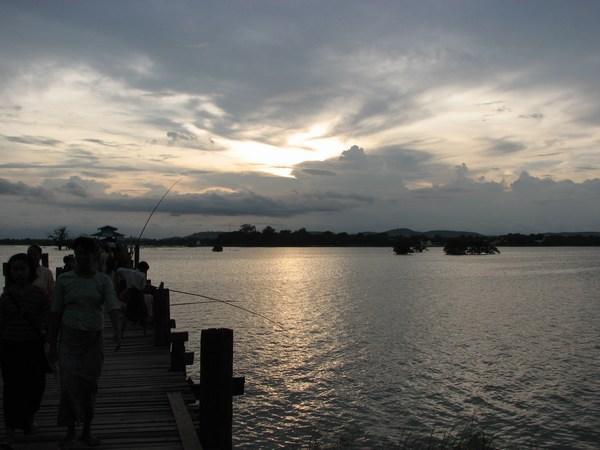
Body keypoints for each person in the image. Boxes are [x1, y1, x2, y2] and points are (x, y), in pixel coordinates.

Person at [48, 237, 121, 447]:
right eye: (80, 253)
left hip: (93, 340)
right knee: (68, 385)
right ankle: (70, 430)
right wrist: (51, 343)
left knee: (89, 386)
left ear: (96, 256)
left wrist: (117, 331)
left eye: (88, 253)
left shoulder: (103, 280)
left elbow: (113, 306)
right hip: (69, 340)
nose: (84, 257)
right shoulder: (64, 280)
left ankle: (87, 430)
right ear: (75, 256)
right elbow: (55, 312)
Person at [0, 253, 50, 447]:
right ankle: (10, 429)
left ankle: (29, 417)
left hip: (33, 345)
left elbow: (47, 318)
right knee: (12, 388)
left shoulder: (39, 294)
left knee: (36, 386)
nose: (19, 273)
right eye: (15, 269)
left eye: (22, 268)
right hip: (9, 345)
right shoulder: (6, 296)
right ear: (9, 272)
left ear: (30, 271)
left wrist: (48, 337)